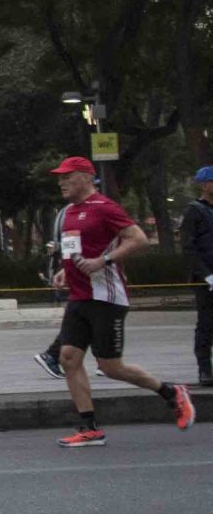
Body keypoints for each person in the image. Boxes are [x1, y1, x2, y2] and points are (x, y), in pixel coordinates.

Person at [43, 156, 195, 447]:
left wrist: (104, 260)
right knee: (68, 358)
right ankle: (89, 428)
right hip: (79, 297)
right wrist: (66, 270)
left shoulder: (105, 208)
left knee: (111, 367)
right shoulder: (69, 212)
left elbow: (139, 239)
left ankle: (172, 392)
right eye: (59, 177)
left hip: (106, 298)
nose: (61, 182)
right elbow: (77, 250)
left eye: (68, 176)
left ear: (87, 178)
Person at [181, 165, 213, 389]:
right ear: (204, 185)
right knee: (206, 324)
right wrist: (207, 275)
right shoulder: (195, 210)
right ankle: (205, 370)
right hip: (206, 279)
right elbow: (188, 248)